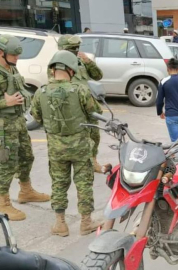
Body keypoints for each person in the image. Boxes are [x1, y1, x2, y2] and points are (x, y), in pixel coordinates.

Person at [31, 50, 103, 236]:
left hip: (56, 148)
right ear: (71, 70)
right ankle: (86, 222)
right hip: (79, 146)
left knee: (59, 183)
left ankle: (60, 224)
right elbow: (95, 112)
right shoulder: (80, 90)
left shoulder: (41, 92)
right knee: (84, 183)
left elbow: (36, 117)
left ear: (52, 69)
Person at [0, 35, 50, 221]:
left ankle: (26, 190)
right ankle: (3, 202)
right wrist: (6, 102)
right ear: (1, 53)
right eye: (13, 55)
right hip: (3, 127)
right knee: (6, 164)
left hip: (18, 122)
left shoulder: (11, 68)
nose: (17, 58)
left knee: (27, 157)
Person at [55, 34, 110, 174]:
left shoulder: (81, 61)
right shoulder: (57, 65)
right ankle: (79, 164)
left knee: (94, 135)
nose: (76, 50)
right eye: (72, 48)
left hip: (89, 105)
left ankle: (93, 161)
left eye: (76, 48)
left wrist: (88, 61)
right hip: (73, 108)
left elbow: (98, 76)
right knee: (79, 139)